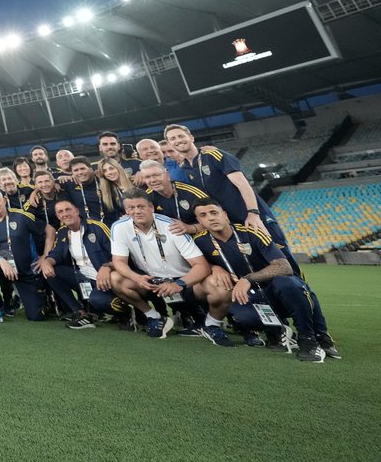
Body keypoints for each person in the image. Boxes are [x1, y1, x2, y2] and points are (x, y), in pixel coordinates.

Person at [191, 198, 339, 361]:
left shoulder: (251, 232)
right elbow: (196, 265)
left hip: (276, 289)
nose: (210, 218)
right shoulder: (200, 241)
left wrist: (248, 279)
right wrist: (214, 267)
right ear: (199, 221)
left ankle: (310, 339)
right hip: (251, 296)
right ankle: (277, 331)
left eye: (214, 212)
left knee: (287, 283)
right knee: (242, 317)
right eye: (203, 215)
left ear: (225, 215)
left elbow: (284, 267)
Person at [164, 123, 298, 272]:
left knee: (284, 262)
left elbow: (243, 184)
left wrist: (253, 214)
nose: (178, 140)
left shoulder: (214, 155)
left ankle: (304, 293)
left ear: (191, 137)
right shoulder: (185, 168)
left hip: (251, 218)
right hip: (229, 225)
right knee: (258, 266)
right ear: (170, 143)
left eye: (181, 136)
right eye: (173, 138)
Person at [108, 189, 212, 340]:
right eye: (131, 208)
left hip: (183, 281)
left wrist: (179, 284)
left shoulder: (171, 226)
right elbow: (118, 261)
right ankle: (154, 317)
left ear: (151, 207)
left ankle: (210, 321)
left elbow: (202, 266)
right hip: (151, 281)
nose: (136, 211)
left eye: (141, 206)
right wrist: (136, 278)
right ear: (126, 210)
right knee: (116, 278)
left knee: (213, 283)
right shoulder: (119, 227)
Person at [38, 197, 119, 329]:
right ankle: (80, 313)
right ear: (58, 216)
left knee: (99, 301)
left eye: (68, 209)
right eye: (60, 212)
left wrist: (107, 267)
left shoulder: (97, 227)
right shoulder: (63, 232)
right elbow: (56, 254)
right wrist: (47, 261)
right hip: (82, 279)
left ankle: (126, 314)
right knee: (52, 272)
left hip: (105, 279)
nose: (65, 214)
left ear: (77, 210)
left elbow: (118, 254)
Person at [0, 188, 48, 323]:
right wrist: (2, 261)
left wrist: (45, 256)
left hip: (24, 270)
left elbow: (48, 230)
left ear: (5, 200)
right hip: (3, 267)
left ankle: (43, 298)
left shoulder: (22, 216)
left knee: (36, 316)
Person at [140, 160, 209, 234]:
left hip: (198, 235)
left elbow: (214, 220)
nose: (153, 180)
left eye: (156, 175)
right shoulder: (145, 198)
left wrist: (190, 228)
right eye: (147, 177)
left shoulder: (192, 193)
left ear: (168, 175)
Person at [61, 157, 114, 224]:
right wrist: (57, 183)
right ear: (72, 174)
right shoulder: (68, 185)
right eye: (76, 170)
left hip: (111, 224)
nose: (80, 172)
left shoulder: (104, 180)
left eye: (82, 169)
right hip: (88, 229)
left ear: (91, 169)